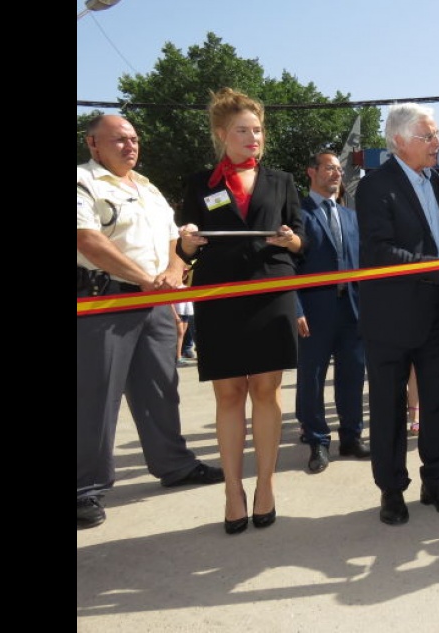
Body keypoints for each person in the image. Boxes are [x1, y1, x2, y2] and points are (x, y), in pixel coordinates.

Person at [77, 114, 224, 529]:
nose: (130, 146)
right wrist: (146, 280)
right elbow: (86, 239)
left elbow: (174, 240)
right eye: (119, 140)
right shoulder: (83, 182)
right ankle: (85, 488)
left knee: (161, 387)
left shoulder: (147, 187)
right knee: (95, 396)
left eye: (134, 139)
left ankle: (174, 465)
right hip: (103, 302)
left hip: (155, 303)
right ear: (93, 144)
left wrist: (175, 272)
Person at [177, 87, 304, 534]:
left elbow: (301, 237)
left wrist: (290, 240)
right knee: (228, 394)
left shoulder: (282, 180)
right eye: (243, 130)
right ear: (221, 134)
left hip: (271, 292)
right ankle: (233, 489)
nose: (253, 138)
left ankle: (265, 485)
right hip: (221, 296)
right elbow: (186, 245)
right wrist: (186, 243)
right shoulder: (200, 184)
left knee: (266, 391)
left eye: (258, 130)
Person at [356, 102, 439, 525]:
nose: (438, 143)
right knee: (389, 407)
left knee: (438, 401)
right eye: (430, 136)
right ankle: (391, 490)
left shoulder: (437, 183)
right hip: (390, 315)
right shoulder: (375, 187)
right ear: (401, 141)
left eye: (438, 135)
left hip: (436, 310)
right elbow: (379, 251)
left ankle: (436, 482)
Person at [293, 149, 370, 475]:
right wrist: (295, 309)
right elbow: (289, 266)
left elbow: (363, 264)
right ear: (311, 172)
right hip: (314, 310)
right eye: (329, 168)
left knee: (353, 374)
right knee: (312, 378)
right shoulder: (298, 214)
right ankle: (317, 441)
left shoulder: (351, 217)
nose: (336, 173)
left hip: (351, 310)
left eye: (339, 168)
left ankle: (351, 437)